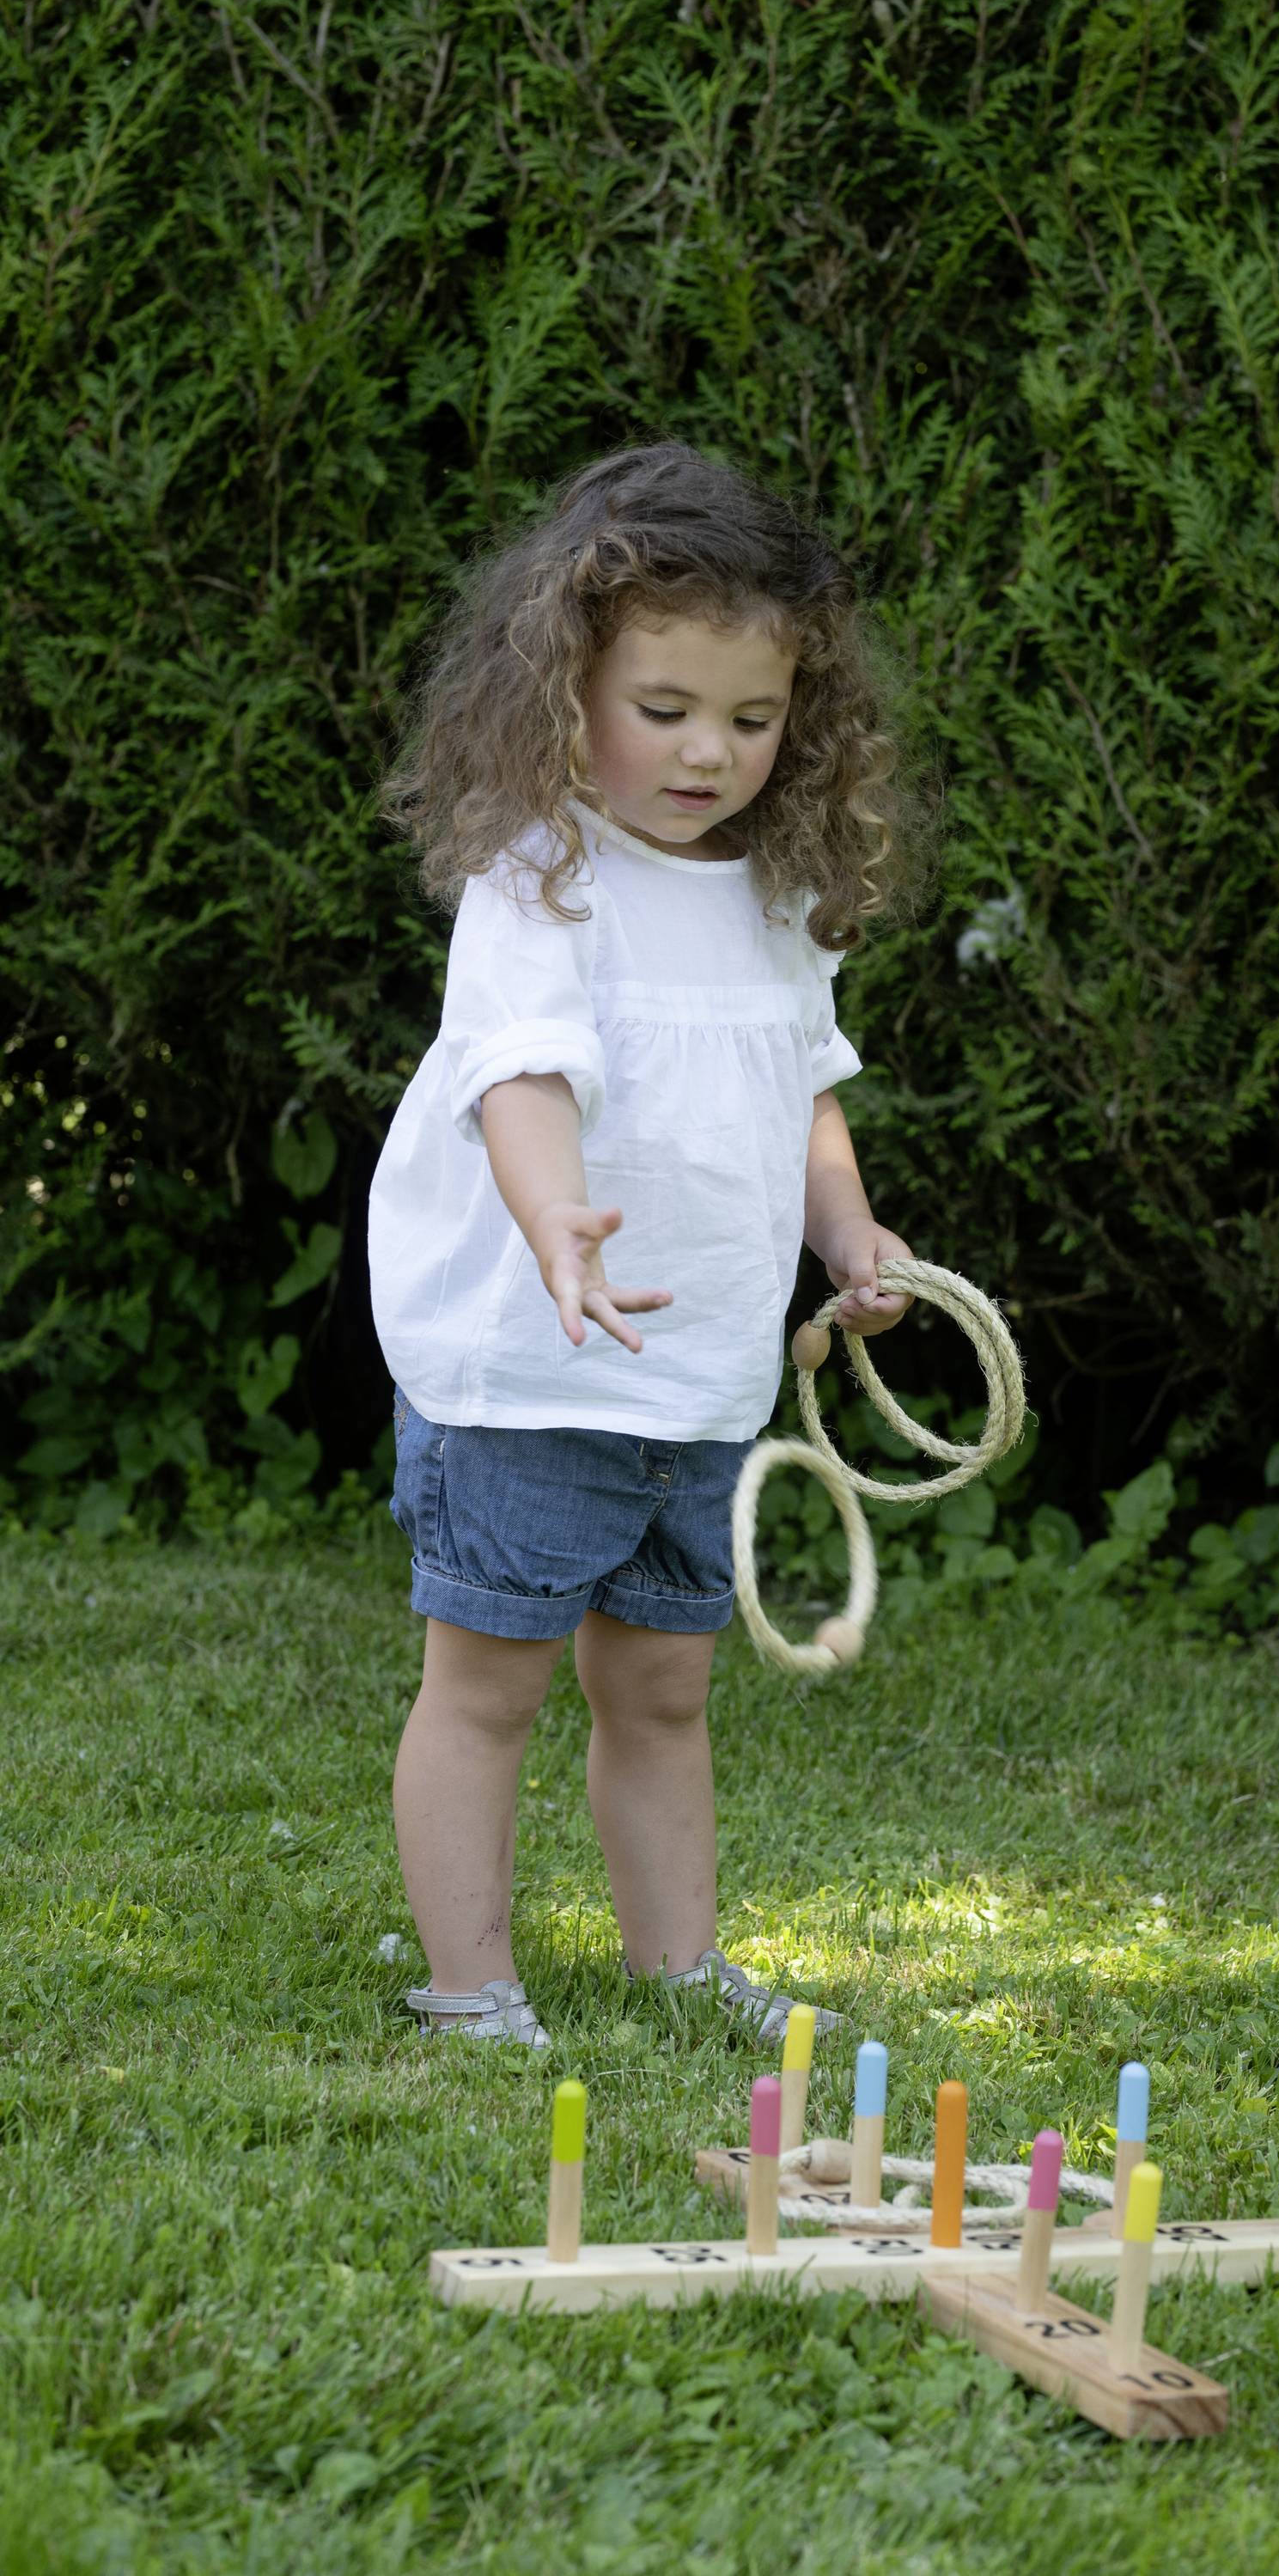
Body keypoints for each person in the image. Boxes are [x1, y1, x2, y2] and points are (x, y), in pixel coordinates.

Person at [368, 442, 938, 2046]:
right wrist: (555, 1218)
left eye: (752, 721)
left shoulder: (774, 898)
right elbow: (518, 1077)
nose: (710, 754)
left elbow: (802, 1094)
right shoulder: (538, 879)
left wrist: (849, 1232)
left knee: (664, 1689)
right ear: (567, 694)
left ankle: (676, 1965)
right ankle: (470, 1986)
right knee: (490, 1684)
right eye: (665, 710)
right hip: (535, 1360)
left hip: (692, 1374)